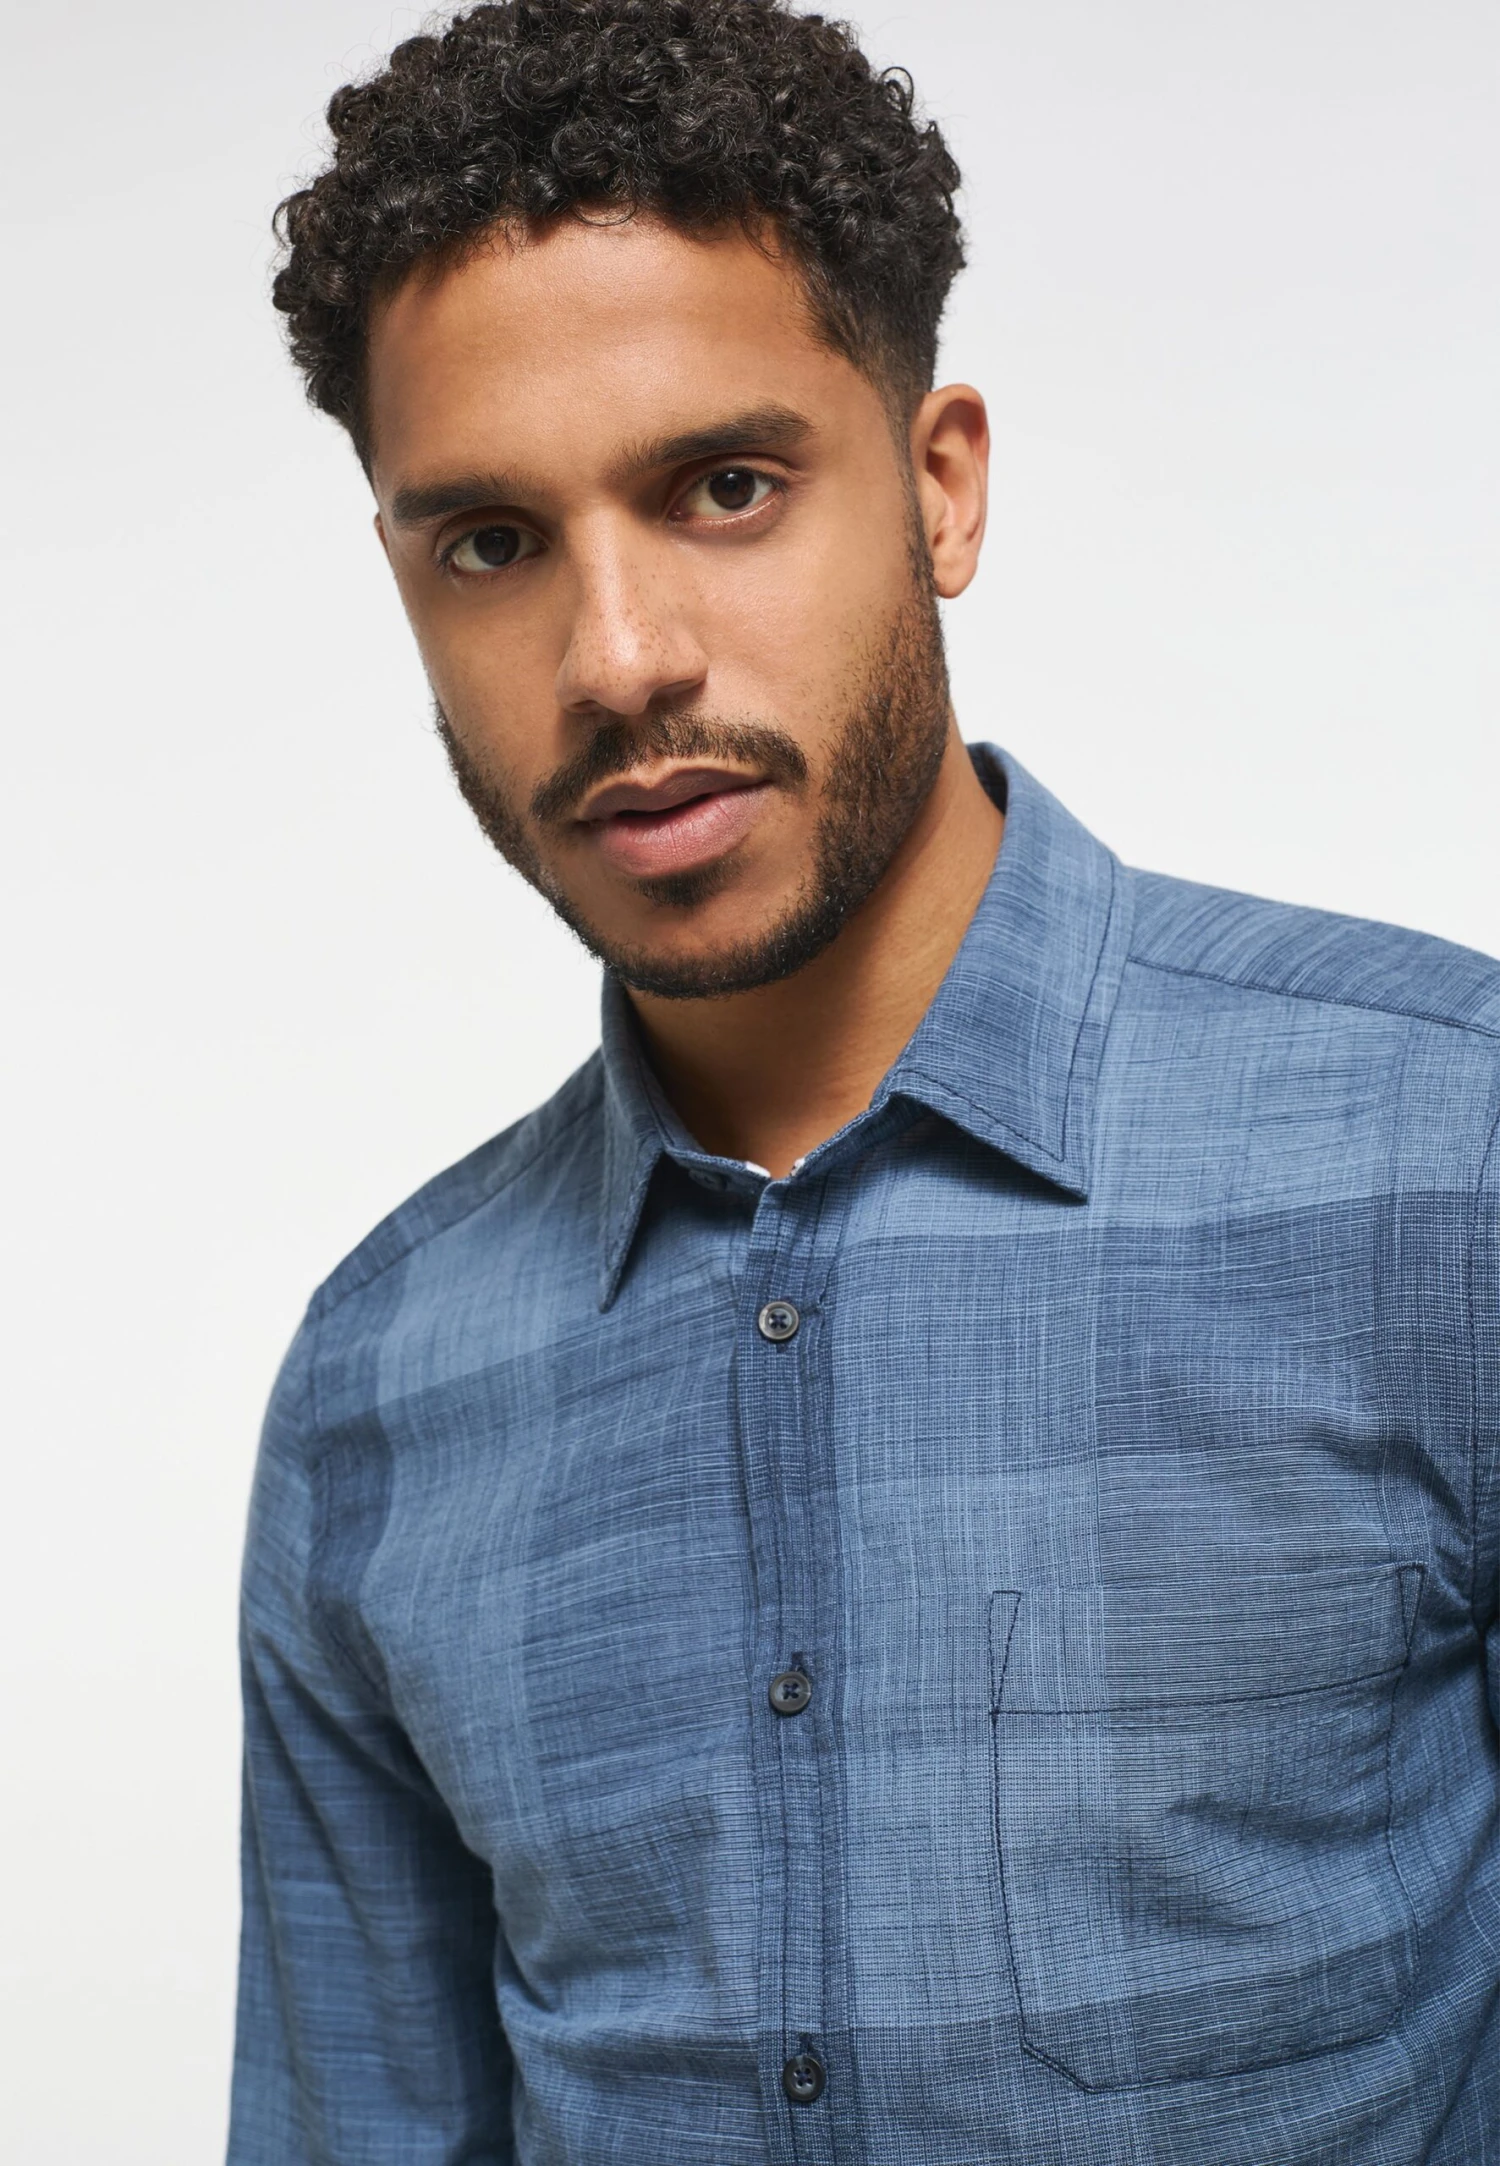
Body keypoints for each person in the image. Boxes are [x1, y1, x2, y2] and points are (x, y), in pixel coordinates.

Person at [230, 2, 1500, 2160]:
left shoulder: (1445, 1162)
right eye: (491, 541)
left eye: (724, 487)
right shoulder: (376, 1396)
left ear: (940, 484)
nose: (618, 658)